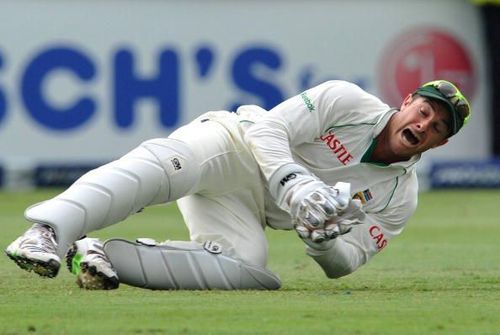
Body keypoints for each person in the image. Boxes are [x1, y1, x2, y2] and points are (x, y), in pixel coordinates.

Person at [5, 79, 471, 290]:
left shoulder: (400, 196)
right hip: (231, 146)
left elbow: (346, 263)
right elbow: (267, 129)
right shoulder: (347, 100)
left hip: (247, 208)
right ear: (408, 101)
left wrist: (321, 241)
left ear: (440, 143)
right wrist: (294, 185)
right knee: (170, 165)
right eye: (424, 110)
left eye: (437, 126)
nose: (424, 124)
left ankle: (100, 253)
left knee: (251, 269)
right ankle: (46, 230)